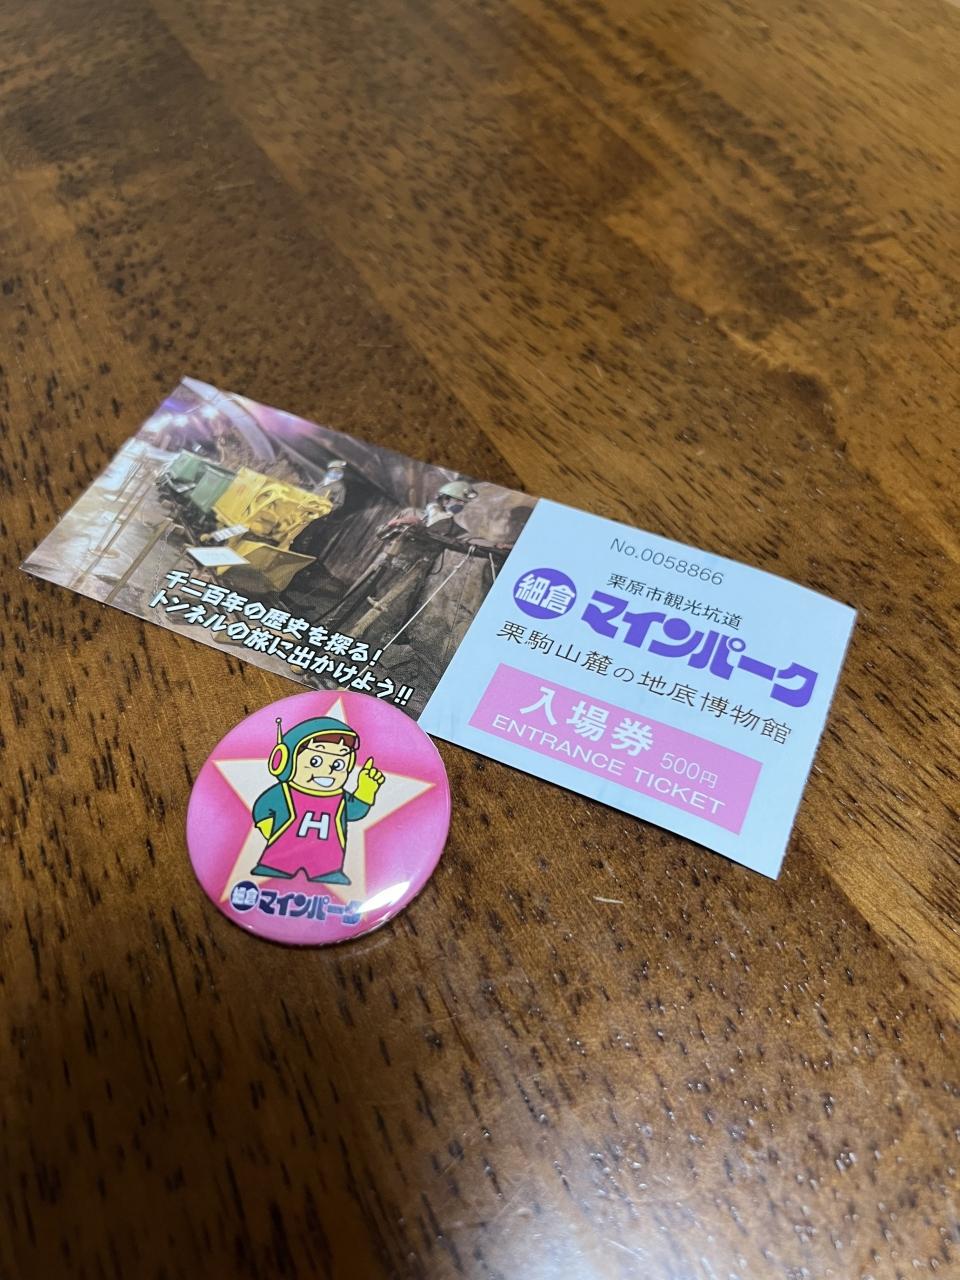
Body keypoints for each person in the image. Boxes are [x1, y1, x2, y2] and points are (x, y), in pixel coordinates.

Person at [250, 714, 385, 885]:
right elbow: (263, 809)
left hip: (327, 866)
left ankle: (327, 871)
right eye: (315, 761)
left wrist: (366, 789)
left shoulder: (340, 797)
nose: (328, 770)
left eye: (338, 765)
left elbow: (356, 811)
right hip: (278, 861)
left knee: (326, 874)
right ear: (284, 761)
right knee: (274, 873)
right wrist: (271, 830)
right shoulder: (283, 792)